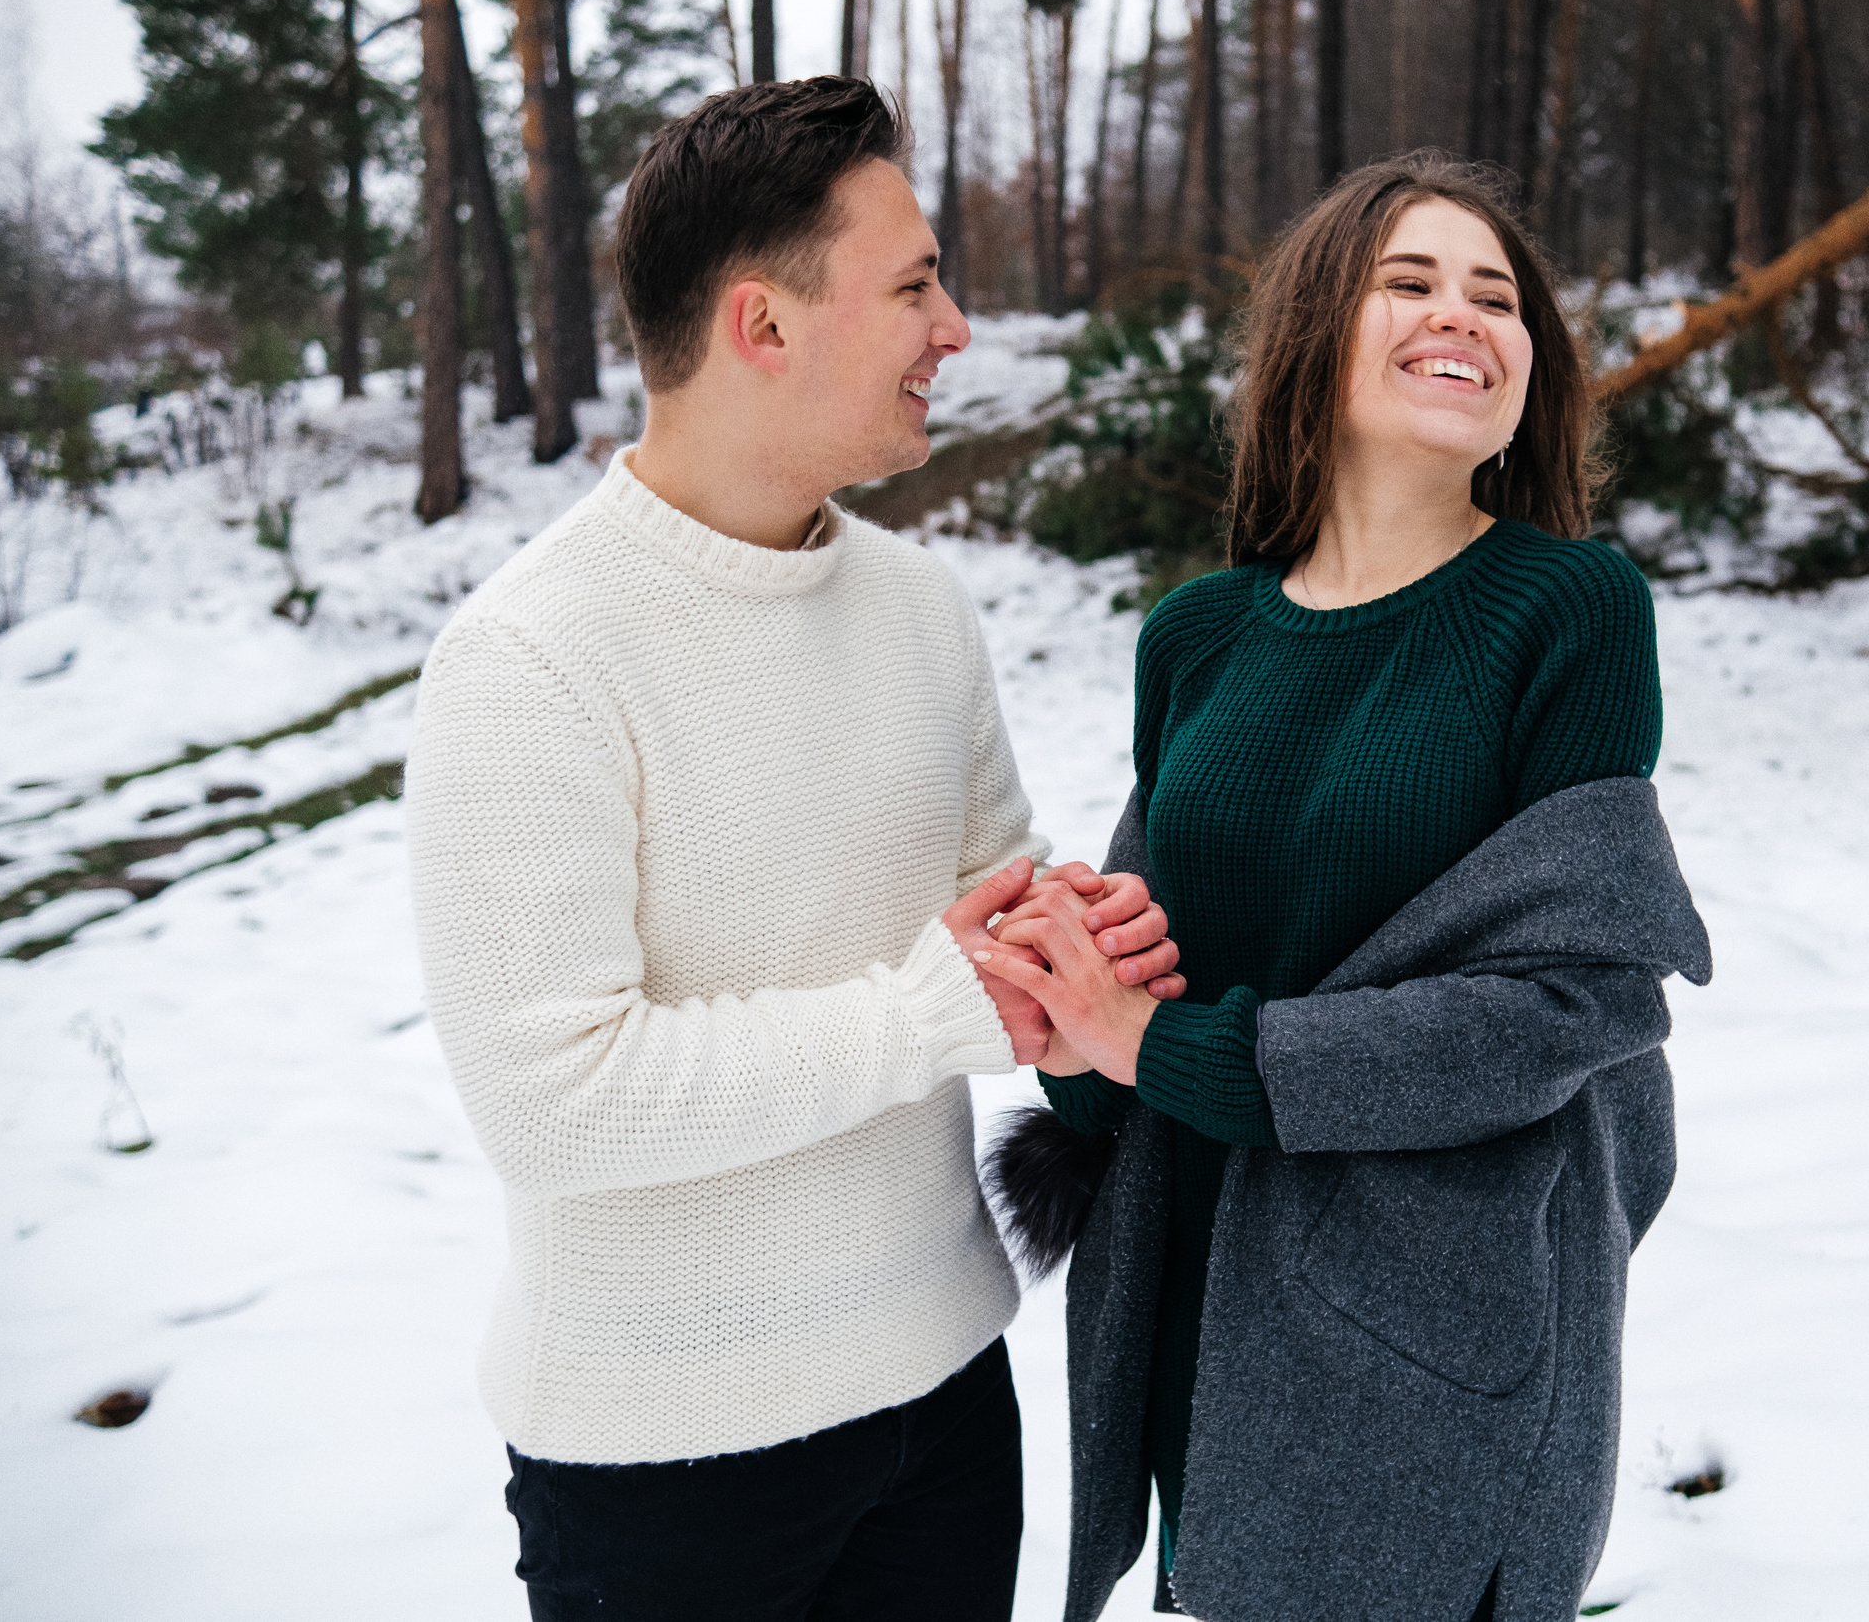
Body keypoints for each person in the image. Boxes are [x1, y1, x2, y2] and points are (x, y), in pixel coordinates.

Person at [403, 78, 1185, 1621]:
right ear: (762, 325)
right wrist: (928, 1012)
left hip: (946, 1398)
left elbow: (987, 924)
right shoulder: (529, 660)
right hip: (664, 1470)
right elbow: (554, 1102)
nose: (955, 327)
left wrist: (1074, 956)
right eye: (914, 288)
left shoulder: (921, 608)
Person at [974, 154, 1712, 1622]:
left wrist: (1162, 1043)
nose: (1465, 316)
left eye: (1498, 298)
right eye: (1411, 281)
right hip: (1200, 1285)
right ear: (1317, 333)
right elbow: (1145, 987)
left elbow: (1568, 1005)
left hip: (1434, 1322)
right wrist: (1074, 1028)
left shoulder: (1567, 613)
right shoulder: (1200, 635)